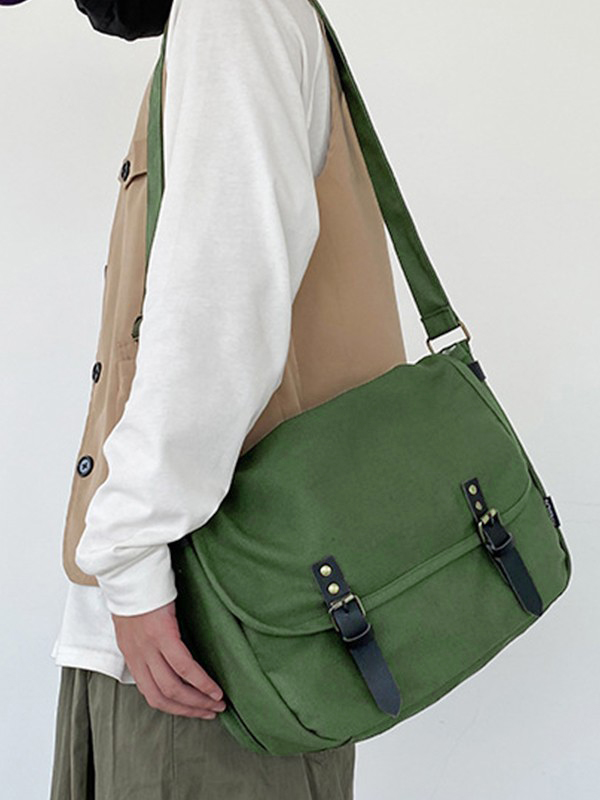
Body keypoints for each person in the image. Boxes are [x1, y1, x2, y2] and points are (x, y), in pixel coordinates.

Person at [49, 0, 360, 796]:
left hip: (201, 635)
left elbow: (220, 307)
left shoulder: (233, 10)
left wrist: (130, 560)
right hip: (189, 625)